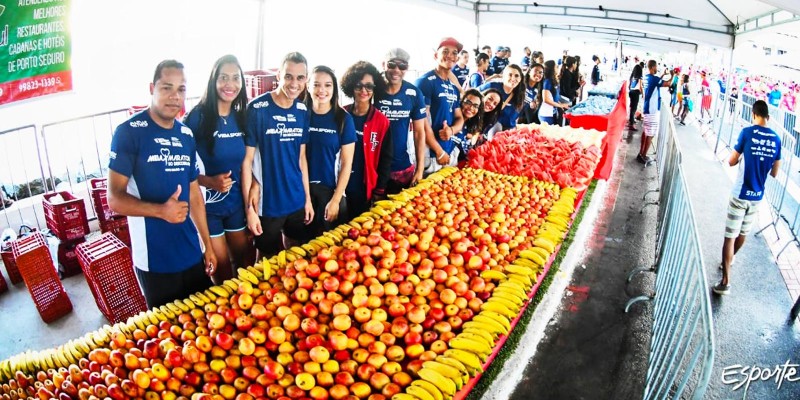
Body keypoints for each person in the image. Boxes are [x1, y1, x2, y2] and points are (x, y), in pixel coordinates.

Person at [108, 60, 216, 308]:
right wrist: (161, 211)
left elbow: (195, 195)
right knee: (167, 336)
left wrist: (207, 245)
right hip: (155, 261)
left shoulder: (186, 135)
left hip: (191, 253)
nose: (174, 96)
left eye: (181, 89)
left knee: (203, 326)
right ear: (151, 88)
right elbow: (114, 198)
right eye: (167, 87)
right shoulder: (128, 133)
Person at [183, 55, 252, 283]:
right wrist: (209, 182)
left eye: (235, 78)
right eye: (223, 78)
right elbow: (182, 169)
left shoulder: (242, 117)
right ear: (213, 81)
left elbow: (249, 164)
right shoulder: (197, 117)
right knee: (222, 272)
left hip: (235, 206)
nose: (229, 84)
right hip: (208, 209)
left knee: (245, 264)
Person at [242, 52, 314, 258]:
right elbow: (246, 162)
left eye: (300, 78)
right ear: (278, 76)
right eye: (289, 76)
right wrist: (250, 209)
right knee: (266, 260)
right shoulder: (257, 109)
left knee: (295, 254)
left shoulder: (302, 111)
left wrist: (307, 199)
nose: (294, 83)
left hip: (296, 199)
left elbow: (302, 158)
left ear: (306, 79)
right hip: (267, 203)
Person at [715, 100, 781, 295]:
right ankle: (730, 259)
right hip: (757, 196)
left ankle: (726, 282)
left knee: (729, 237)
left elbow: (731, 160)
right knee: (743, 232)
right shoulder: (777, 139)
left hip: (740, 194)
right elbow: (775, 173)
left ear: (753, 115)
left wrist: (744, 157)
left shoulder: (747, 133)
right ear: (768, 117)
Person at [305, 65, 356, 233]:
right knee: (298, 243)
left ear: (334, 88)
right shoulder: (300, 115)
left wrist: (335, 200)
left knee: (328, 247)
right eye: (316, 84)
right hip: (300, 190)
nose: (322, 90)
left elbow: (347, 163)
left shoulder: (343, 119)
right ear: (307, 86)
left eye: (327, 85)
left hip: (330, 191)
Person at [340, 61, 393, 217]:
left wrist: (380, 190)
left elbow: (386, 158)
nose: (364, 90)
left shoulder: (382, 121)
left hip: (364, 187)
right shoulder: (341, 115)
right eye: (359, 86)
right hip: (338, 186)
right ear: (351, 87)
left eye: (369, 86)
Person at [375, 48, 428, 195]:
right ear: (383, 64)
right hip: (373, 167)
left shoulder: (414, 93)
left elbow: (419, 133)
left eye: (402, 66)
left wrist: (420, 169)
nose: (396, 70)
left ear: (407, 68)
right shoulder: (372, 90)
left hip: (401, 168)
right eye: (392, 65)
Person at [416, 37, 465, 174]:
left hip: (448, 153)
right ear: (435, 55)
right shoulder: (425, 82)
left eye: (454, 53)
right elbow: (421, 123)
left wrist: (452, 130)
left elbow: (459, 117)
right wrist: (439, 151)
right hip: (431, 155)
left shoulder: (453, 87)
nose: (450, 56)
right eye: (445, 51)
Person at [637, 60, 670, 164]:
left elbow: (656, 83)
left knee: (645, 132)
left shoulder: (647, 77)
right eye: (656, 67)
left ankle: (640, 153)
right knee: (650, 134)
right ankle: (644, 155)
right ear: (652, 67)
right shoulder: (654, 79)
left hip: (647, 108)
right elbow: (668, 84)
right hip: (653, 110)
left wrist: (663, 75)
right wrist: (672, 76)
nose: (657, 69)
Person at [478, 64, 525, 130]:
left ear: (520, 79)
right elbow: (474, 94)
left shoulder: (520, 95)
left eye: (516, 76)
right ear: (503, 76)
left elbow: (515, 117)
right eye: (510, 75)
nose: (513, 78)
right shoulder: (491, 86)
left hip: (508, 131)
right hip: (488, 127)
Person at [453, 89, 485, 165]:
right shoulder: (451, 119)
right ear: (461, 101)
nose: (471, 108)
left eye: (475, 106)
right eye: (468, 102)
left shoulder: (468, 126)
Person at [537, 60, 569, 125]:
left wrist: (561, 105)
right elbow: (546, 99)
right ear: (552, 69)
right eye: (556, 67)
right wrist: (560, 105)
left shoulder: (553, 81)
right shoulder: (547, 82)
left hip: (552, 112)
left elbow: (554, 97)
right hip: (546, 114)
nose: (558, 68)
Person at [628, 64, 643, 130]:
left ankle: (631, 120)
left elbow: (629, 85)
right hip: (636, 92)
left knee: (632, 108)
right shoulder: (639, 77)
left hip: (631, 92)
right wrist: (642, 93)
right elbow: (640, 87)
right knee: (634, 108)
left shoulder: (632, 76)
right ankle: (631, 124)